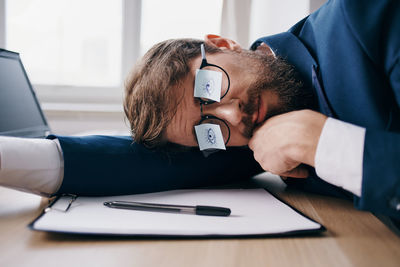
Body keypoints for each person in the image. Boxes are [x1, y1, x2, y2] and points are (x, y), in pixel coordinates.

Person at [0, 0, 399, 222]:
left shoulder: (364, 18)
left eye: (209, 88)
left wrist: (325, 144)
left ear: (223, 42)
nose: (231, 117)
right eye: (206, 130)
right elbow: (147, 164)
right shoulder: (240, 140)